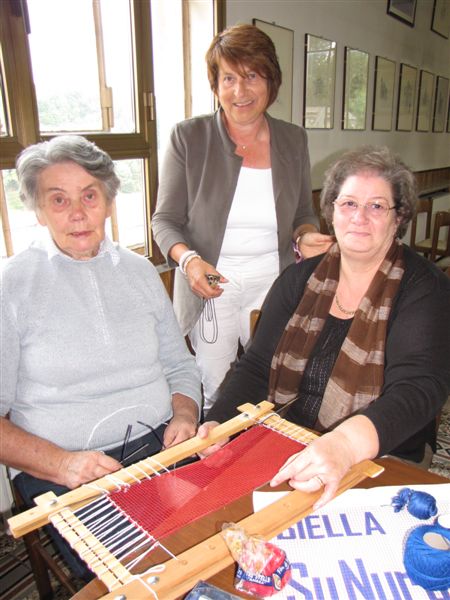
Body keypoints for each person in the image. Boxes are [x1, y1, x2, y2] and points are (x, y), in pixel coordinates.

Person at [200, 146, 450, 509]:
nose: (359, 217)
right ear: (331, 211)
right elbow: (257, 367)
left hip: (384, 454)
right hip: (288, 437)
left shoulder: (424, 288)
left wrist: (344, 444)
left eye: (377, 206)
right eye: (348, 203)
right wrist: (221, 422)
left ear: (399, 219)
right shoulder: (298, 280)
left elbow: (418, 390)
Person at [0, 135, 202, 579]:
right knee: (147, 576)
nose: (77, 213)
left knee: (224, 537)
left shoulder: (140, 271)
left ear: (108, 200)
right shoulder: (12, 285)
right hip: (66, 470)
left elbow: (180, 365)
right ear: (38, 210)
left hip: (159, 448)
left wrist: (184, 415)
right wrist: (63, 463)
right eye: (58, 199)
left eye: (89, 195)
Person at [152, 24, 333, 413]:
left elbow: (303, 213)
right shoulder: (189, 137)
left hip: (275, 277)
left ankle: (264, 462)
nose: (240, 90)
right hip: (213, 278)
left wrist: (305, 237)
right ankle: (219, 467)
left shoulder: (292, 139)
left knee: (277, 379)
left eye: (251, 75)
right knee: (216, 387)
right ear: (215, 85)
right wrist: (189, 261)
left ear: (271, 79)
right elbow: (164, 220)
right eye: (229, 78)